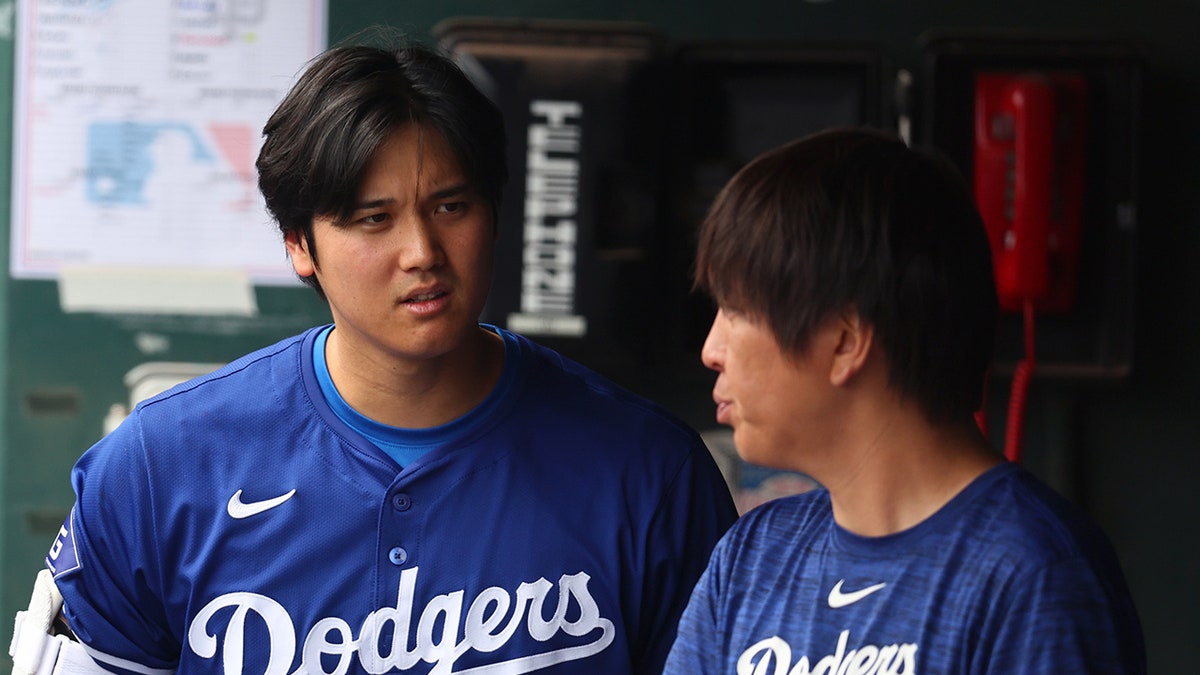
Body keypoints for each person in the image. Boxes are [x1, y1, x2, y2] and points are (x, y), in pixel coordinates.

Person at [10, 41, 737, 675]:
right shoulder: (159, 465)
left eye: (451, 206)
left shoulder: (650, 474)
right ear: (299, 243)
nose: (421, 252)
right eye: (373, 219)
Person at [664, 127, 1146, 674]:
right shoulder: (752, 557)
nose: (711, 349)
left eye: (737, 311)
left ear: (846, 340)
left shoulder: (1034, 574)